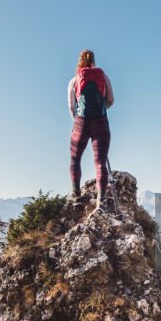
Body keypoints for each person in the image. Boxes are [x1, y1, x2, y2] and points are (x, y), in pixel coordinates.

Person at [68, 49, 114, 208]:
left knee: (75, 158)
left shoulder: (74, 81)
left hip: (81, 123)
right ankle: (100, 202)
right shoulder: (104, 77)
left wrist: (79, 118)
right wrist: (102, 109)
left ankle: (76, 195)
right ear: (93, 61)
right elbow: (110, 100)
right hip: (100, 122)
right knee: (100, 161)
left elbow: (72, 107)